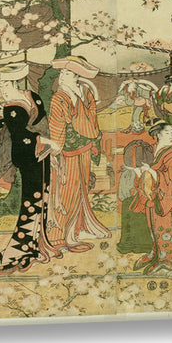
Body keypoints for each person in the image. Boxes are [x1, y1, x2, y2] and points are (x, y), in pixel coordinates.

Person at [0, 63, 59, 276]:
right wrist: (45, 141)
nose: (2, 91)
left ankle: (36, 247)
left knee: (42, 199)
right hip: (27, 157)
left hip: (42, 155)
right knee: (30, 202)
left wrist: (46, 142)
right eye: (0, 87)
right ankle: (18, 250)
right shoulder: (11, 108)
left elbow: (42, 122)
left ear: (14, 82)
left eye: (5, 85)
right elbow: (20, 137)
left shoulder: (33, 97)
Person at [46, 56, 110, 253]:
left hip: (84, 148)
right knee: (67, 190)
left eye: (67, 73)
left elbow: (92, 120)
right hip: (67, 151)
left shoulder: (85, 91)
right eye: (62, 72)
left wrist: (78, 102)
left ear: (76, 75)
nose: (62, 76)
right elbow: (56, 126)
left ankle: (79, 228)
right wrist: (55, 151)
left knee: (82, 188)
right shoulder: (59, 97)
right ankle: (57, 235)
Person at [129, 119, 172, 273]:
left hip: (164, 196)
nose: (171, 136)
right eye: (167, 133)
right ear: (157, 135)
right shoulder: (153, 149)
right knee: (152, 227)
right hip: (151, 195)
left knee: (163, 228)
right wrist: (139, 171)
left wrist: (151, 171)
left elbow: (170, 177)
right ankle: (156, 252)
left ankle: (171, 259)